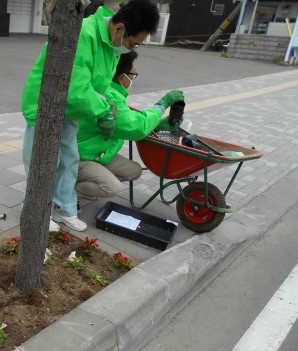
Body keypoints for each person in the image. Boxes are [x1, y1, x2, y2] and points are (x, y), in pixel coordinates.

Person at [21, 0, 160, 231]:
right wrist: (103, 111)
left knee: (69, 160)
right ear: (119, 29)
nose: (132, 49)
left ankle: (65, 209)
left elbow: (102, 85)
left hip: (69, 110)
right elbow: (77, 87)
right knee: (43, 162)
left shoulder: (110, 46)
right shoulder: (84, 34)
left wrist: (110, 105)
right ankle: (36, 213)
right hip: (44, 107)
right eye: (134, 43)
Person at [75, 50, 184, 199]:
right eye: (133, 74)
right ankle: (66, 190)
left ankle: (93, 178)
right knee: (111, 188)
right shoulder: (109, 97)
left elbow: (128, 120)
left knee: (133, 170)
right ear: (122, 77)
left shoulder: (112, 92)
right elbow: (135, 127)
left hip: (100, 154)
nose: (133, 78)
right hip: (82, 156)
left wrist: (158, 125)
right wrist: (161, 106)